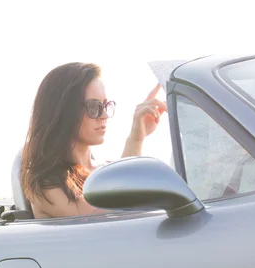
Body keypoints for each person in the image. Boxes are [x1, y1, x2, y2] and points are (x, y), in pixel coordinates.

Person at [20, 62, 167, 218]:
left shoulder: (103, 170)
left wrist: (138, 137)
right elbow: (103, 214)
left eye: (105, 105)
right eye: (94, 107)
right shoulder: (44, 183)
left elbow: (120, 197)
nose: (104, 115)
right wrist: (134, 140)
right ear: (64, 112)